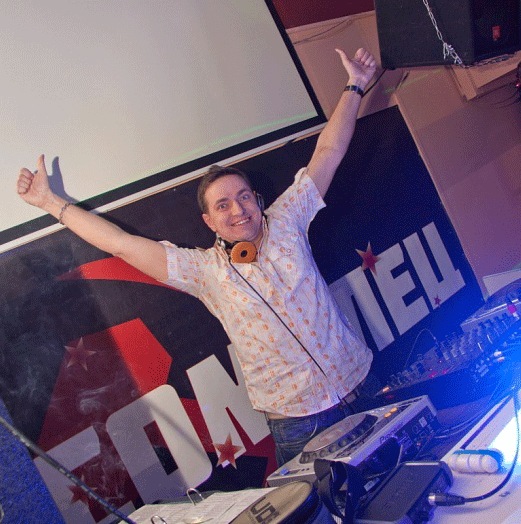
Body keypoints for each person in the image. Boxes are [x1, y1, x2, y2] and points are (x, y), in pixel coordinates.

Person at [17, 47, 377, 466]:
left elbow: (328, 151)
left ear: (258, 200)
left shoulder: (288, 218)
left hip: (359, 381)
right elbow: (120, 243)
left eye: (244, 197)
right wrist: (50, 203)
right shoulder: (204, 271)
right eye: (223, 205)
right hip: (299, 421)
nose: (238, 209)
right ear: (209, 222)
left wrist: (355, 84)